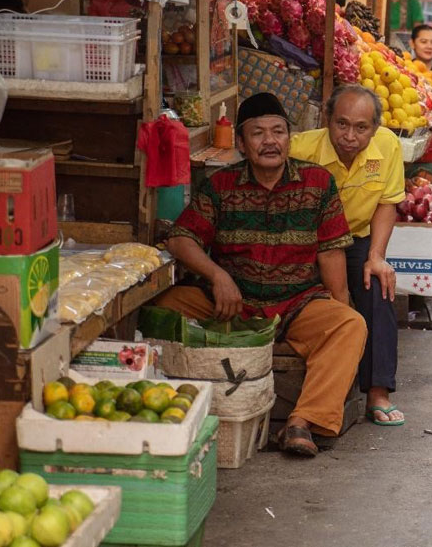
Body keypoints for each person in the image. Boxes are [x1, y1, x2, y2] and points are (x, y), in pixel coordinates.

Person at [155, 92, 367, 457]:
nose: (270, 141)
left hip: (297, 303)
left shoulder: (318, 183)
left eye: (279, 132)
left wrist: (339, 306)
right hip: (232, 305)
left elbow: (331, 251)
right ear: (240, 142)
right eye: (258, 133)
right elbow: (181, 239)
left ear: (290, 137)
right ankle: (179, 407)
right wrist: (218, 276)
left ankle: (301, 423)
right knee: (164, 307)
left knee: (350, 325)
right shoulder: (221, 186)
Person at [291, 86, 408, 427]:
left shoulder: (388, 146)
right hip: (305, 243)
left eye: (361, 128)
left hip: (356, 240)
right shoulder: (301, 149)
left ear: (375, 128)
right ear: (327, 118)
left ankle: (377, 391)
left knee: (379, 285)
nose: (350, 136)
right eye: (341, 124)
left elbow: (387, 203)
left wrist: (376, 255)